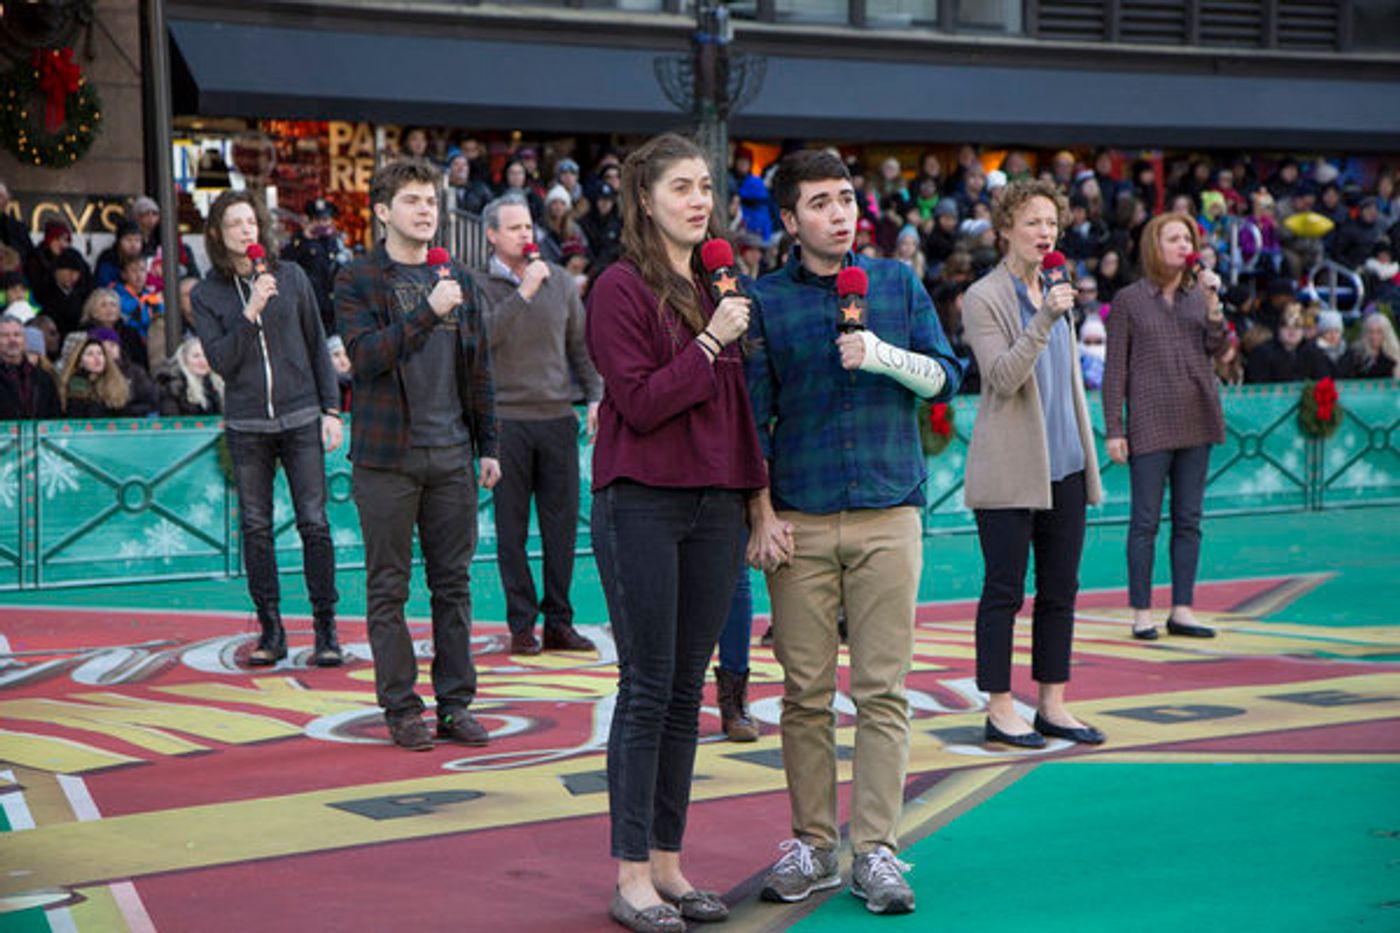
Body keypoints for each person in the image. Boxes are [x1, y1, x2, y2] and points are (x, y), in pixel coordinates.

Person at [746, 150, 963, 916]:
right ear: (789, 220)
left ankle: (876, 849)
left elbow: (947, 376)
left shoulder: (898, 284)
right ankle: (813, 844)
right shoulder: (765, 300)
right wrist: (761, 514)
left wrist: (882, 355)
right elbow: (752, 422)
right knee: (803, 695)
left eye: (846, 199)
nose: (839, 213)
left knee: (883, 691)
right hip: (799, 520)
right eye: (820, 202)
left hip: (888, 511)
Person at [585, 133, 766, 932]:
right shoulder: (619, 289)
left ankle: (668, 862)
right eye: (682, 187)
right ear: (646, 198)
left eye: (705, 187)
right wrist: (710, 339)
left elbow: (738, 410)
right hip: (643, 500)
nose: (699, 200)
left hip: (716, 504)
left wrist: (759, 505)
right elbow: (641, 399)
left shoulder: (718, 283)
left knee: (686, 691)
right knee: (648, 684)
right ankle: (631, 876)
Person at [335, 158, 500, 752]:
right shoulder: (357, 279)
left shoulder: (458, 277)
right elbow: (366, 357)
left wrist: (490, 445)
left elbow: (481, 370)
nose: (426, 209)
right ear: (382, 211)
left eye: (431, 199)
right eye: (411, 200)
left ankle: (456, 705)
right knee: (389, 588)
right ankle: (402, 708)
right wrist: (427, 312)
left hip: (453, 454)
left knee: (453, 587)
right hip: (386, 457)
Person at [961, 179, 1105, 750]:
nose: (1045, 233)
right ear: (1005, 230)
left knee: (1060, 589)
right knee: (1003, 590)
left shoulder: (1056, 287)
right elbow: (1002, 377)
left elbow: (1064, 380)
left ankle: (1052, 703)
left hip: (1064, 462)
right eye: (1032, 222)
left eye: (1052, 223)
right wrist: (1044, 317)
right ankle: (999, 709)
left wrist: (1052, 308)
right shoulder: (984, 297)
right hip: (1009, 467)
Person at [192, 190, 345, 669]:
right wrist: (250, 311)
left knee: (314, 523)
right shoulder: (205, 293)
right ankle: (271, 630)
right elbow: (219, 361)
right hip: (247, 423)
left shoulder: (293, 276)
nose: (247, 230)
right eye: (235, 223)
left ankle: (326, 628)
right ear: (218, 234)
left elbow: (318, 344)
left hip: (301, 417)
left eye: (251, 221)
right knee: (256, 528)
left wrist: (331, 409)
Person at [470, 192, 603, 656]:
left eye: (528, 227)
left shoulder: (561, 282)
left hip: (556, 419)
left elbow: (580, 347)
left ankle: (559, 622)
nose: (526, 235)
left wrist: (595, 395)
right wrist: (524, 291)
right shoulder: (478, 285)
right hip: (505, 422)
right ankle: (522, 624)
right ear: (492, 235)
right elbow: (481, 341)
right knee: (511, 531)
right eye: (514, 228)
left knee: (561, 528)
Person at [1103, 212, 1230, 641]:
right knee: (1145, 522)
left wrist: (1215, 307)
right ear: (1154, 247)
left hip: (1197, 414)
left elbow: (1220, 350)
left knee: (1189, 519)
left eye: (1187, 238)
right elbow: (1114, 369)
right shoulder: (1130, 300)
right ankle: (1142, 611)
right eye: (1173, 238)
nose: (1182, 245)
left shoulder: (1200, 295)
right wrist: (1113, 428)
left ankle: (1182, 608)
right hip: (1150, 420)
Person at [282, 197, 349, 334]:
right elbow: (286, 263)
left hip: (333, 307)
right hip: (311, 306)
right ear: (310, 221)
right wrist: (305, 237)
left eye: (327, 220)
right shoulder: (300, 242)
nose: (324, 225)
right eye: (319, 220)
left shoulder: (335, 241)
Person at [1243, 303, 1332, 384]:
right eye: (1286, 326)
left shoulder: (1314, 352)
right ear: (1278, 328)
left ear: (1303, 330)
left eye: (1297, 327)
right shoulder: (1262, 353)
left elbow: (1324, 381)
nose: (1292, 331)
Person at [0, 314, 60, 419]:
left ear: (24, 340)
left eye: (17, 335)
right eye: (5, 335)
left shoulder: (43, 379)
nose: (12, 340)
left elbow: (54, 418)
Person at [59, 336, 131, 417]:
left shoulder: (116, 383)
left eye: (100, 353)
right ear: (80, 362)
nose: (97, 358)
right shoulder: (74, 385)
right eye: (90, 354)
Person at [155, 337, 224, 416]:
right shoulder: (171, 384)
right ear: (185, 359)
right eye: (196, 356)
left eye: (206, 355)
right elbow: (171, 420)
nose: (202, 361)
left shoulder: (218, 381)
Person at [1346, 312, 1400, 379]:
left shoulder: (1394, 355)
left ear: (1386, 333)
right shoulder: (1355, 355)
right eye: (1371, 332)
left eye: (1379, 332)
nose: (1374, 336)